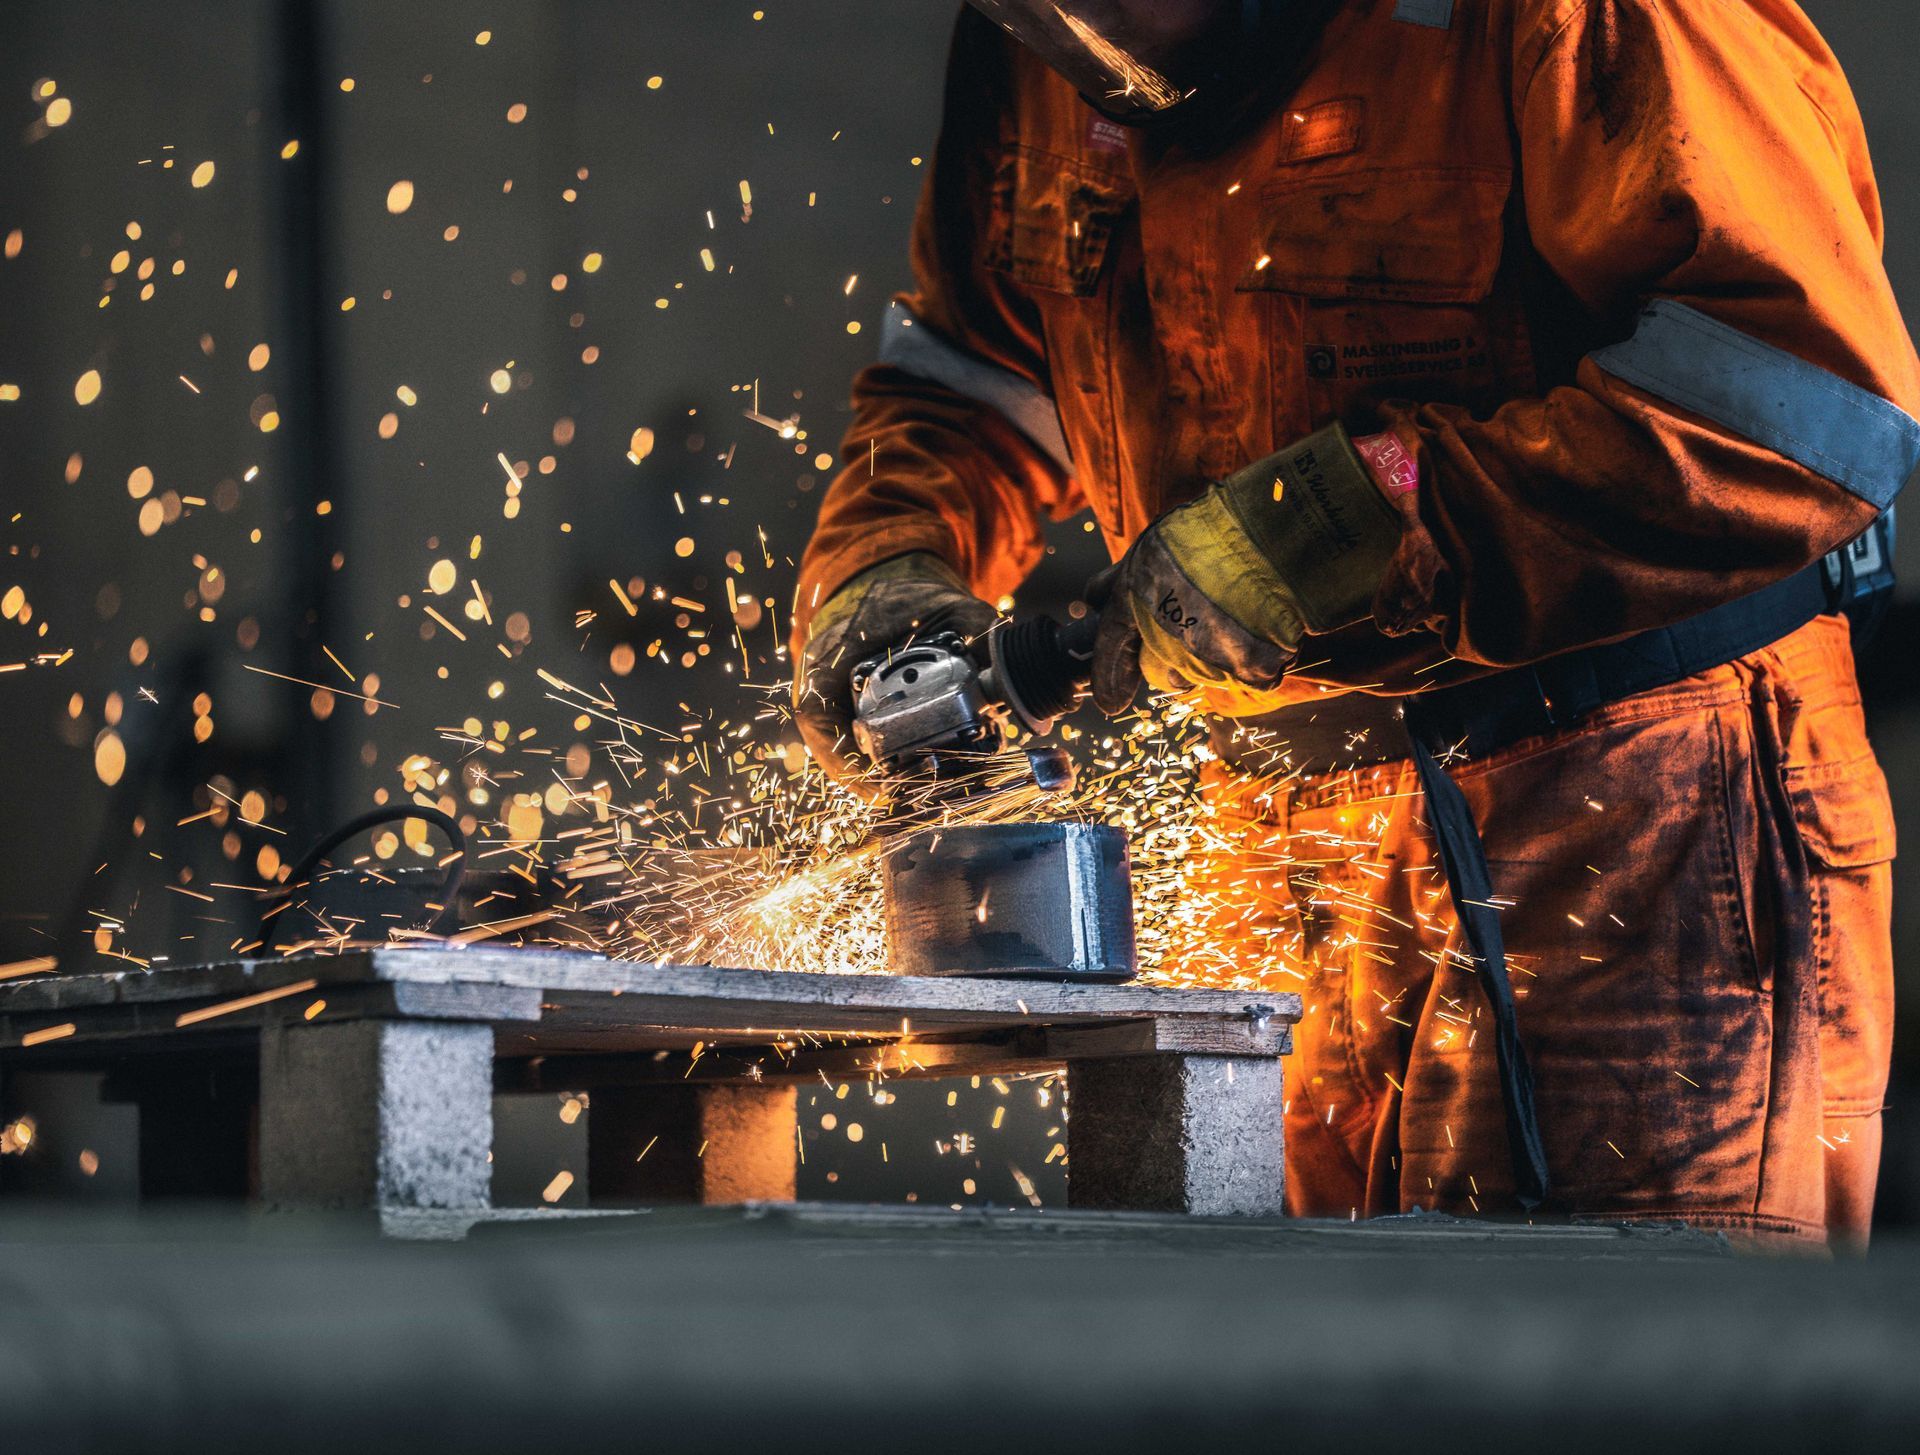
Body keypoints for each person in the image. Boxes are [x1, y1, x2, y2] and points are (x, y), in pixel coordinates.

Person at [791, 0, 1918, 1249]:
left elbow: (1802, 412)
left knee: (1613, 1373)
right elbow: (976, 376)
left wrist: (1325, 533)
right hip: (1278, 839)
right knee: (1324, 1377)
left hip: (1627, 826)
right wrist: (884, 563)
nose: (1074, 46)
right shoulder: (1032, 43)